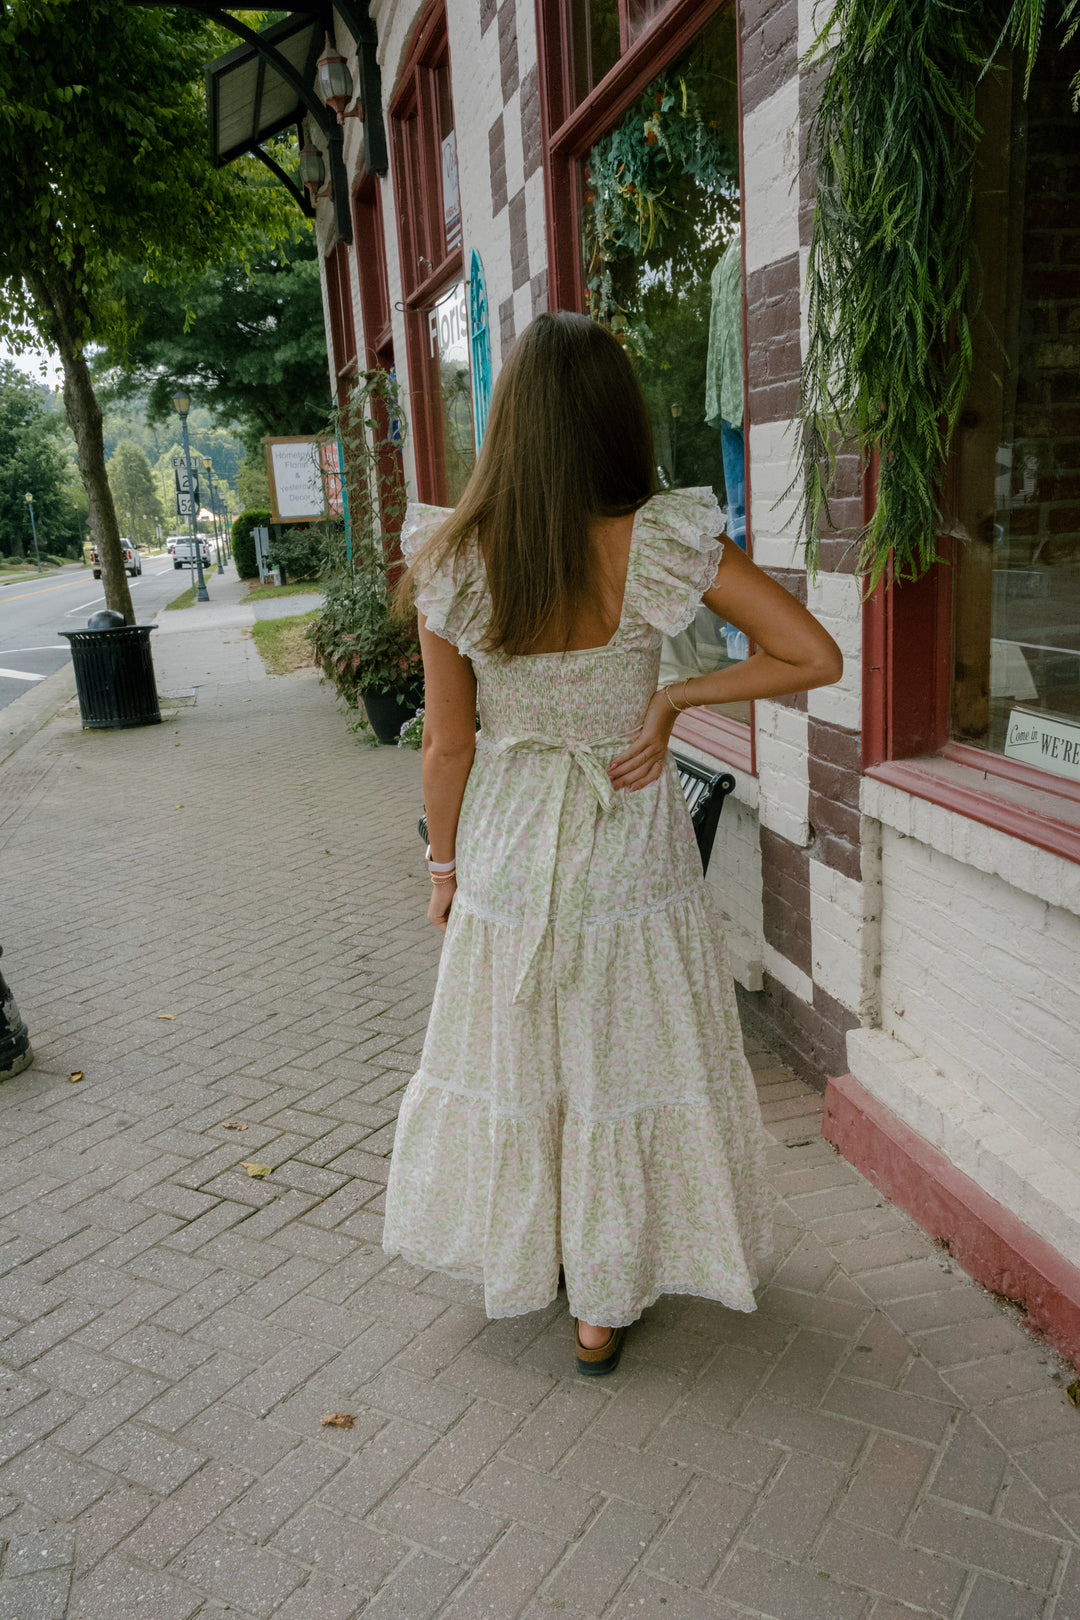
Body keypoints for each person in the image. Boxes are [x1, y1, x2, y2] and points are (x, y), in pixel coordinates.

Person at [383, 312, 842, 1375]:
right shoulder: (659, 541)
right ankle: (604, 1299)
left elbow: (447, 748)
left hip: (508, 836)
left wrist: (442, 871)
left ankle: (541, 1256)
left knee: (528, 1047)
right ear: (613, 422)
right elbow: (811, 654)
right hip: (627, 829)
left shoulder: (454, 559)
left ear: (513, 426)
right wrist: (679, 694)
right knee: (621, 1049)